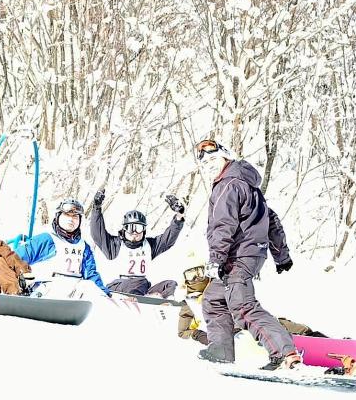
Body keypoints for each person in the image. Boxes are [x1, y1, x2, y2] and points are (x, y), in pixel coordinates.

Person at [194, 139, 302, 370]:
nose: (210, 165)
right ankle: (221, 351)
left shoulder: (228, 185)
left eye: (214, 159)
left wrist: (215, 259)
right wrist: (281, 256)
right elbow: (271, 220)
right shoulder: (248, 184)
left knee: (242, 306)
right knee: (214, 299)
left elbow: (222, 226)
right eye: (205, 163)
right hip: (250, 254)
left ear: (226, 157)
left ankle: (285, 353)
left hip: (237, 256)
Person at [177, 264, 327, 345]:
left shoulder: (221, 284)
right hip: (231, 336)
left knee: (280, 325)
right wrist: (199, 335)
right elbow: (183, 332)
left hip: (247, 322)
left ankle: (321, 342)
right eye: (191, 274)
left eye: (199, 272)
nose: (196, 277)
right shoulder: (189, 302)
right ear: (185, 279)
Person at [90, 189, 186, 298]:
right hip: (119, 288)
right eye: (130, 228)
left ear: (144, 230)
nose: (135, 232)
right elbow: (97, 234)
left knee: (171, 285)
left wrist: (179, 215)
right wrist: (96, 208)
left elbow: (168, 239)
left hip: (142, 288)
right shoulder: (115, 245)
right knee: (136, 284)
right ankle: (139, 298)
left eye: (139, 228)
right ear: (124, 230)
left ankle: (158, 301)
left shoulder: (149, 245)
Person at [14, 199, 109, 299]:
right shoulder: (46, 240)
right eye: (67, 215)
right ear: (58, 216)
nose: (71, 219)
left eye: (75, 216)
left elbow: (91, 274)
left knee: (89, 287)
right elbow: (15, 259)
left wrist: (104, 294)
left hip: (74, 292)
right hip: (45, 290)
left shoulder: (84, 247)